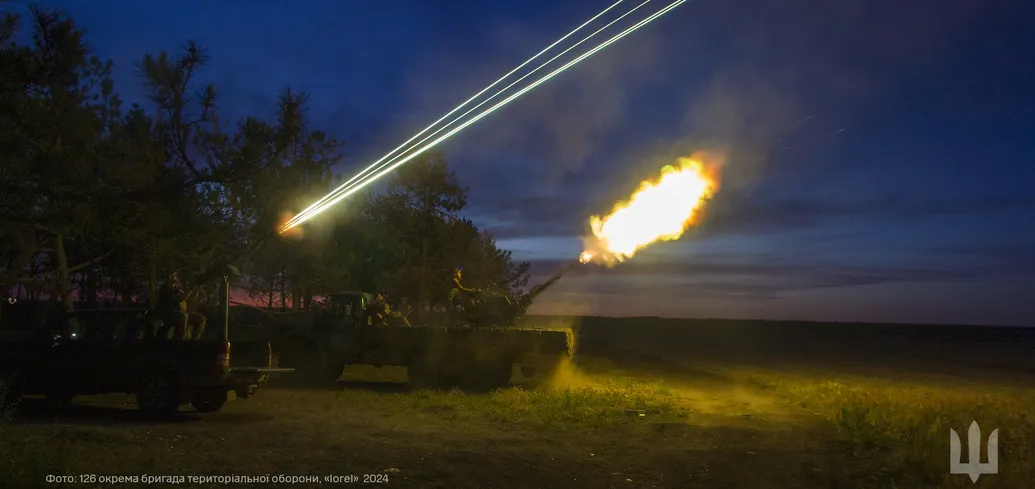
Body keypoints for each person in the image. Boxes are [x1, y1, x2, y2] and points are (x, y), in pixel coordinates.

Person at [156, 271, 207, 340]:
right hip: (170, 313)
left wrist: (195, 288)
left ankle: (194, 340)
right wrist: (191, 288)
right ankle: (180, 340)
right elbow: (182, 297)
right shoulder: (165, 288)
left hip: (181, 311)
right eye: (172, 276)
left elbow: (187, 299)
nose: (175, 277)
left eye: (175, 275)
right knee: (183, 316)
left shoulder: (177, 287)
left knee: (201, 319)